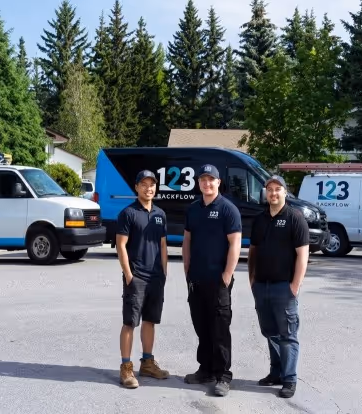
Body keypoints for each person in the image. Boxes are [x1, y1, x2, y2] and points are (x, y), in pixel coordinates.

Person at [182, 164, 242, 397]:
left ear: (219, 182)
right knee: (202, 327)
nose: (207, 184)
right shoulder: (194, 209)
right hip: (196, 279)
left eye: (211, 180)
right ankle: (205, 369)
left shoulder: (228, 210)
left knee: (219, 329)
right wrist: (187, 268)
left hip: (218, 281)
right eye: (203, 180)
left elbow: (235, 243)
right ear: (199, 183)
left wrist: (227, 275)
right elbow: (187, 239)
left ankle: (223, 375)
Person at [248, 174, 310, 399]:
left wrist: (295, 285)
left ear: (285, 192)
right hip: (261, 286)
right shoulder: (260, 219)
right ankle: (276, 373)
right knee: (270, 333)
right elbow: (253, 251)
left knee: (288, 335)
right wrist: (252, 279)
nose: (273, 193)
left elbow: (303, 255)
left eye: (278, 189)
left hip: (284, 287)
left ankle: (289, 379)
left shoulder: (295, 218)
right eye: (269, 189)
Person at [116, 169, 170, 389]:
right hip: (136, 276)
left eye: (152, 185)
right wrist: (129, 274)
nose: (149, 188)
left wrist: (164, 272)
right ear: (136, 187)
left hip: (156, 276)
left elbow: (163, 245)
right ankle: (126, 368)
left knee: (150, 320)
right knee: (130, 322)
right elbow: (120, 245)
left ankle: (147, 362)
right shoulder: (128, 213)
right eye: (144, 184)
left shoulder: (160, 214)